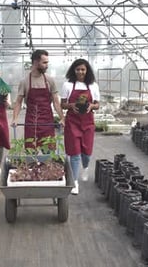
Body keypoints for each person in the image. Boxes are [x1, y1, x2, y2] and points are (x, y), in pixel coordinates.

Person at [60, 59, 100, 195]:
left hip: (88, 122)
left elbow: (97, 105)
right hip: (72, 122)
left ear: (87, 70)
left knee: (86, 153)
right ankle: (74, 182)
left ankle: (86, 166)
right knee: (75, 153)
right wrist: (72, 106)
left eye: (83, 69)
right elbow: (63, 104)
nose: (80, 72)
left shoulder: (93, 86)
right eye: (78, 69)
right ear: (74, 70)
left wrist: (91, 106)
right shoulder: (68, 85)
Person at [11, 49, 65, 150]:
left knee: (49, 154)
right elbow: (18, 102)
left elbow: (56, 102)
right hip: (31, 122)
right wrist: (15, 118)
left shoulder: (50, 80)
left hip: (47, 122)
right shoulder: (25, 81)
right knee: (31, 153)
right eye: (44, 62)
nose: (47, 65)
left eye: (47, 62)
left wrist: (62, 118)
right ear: (36, 62)